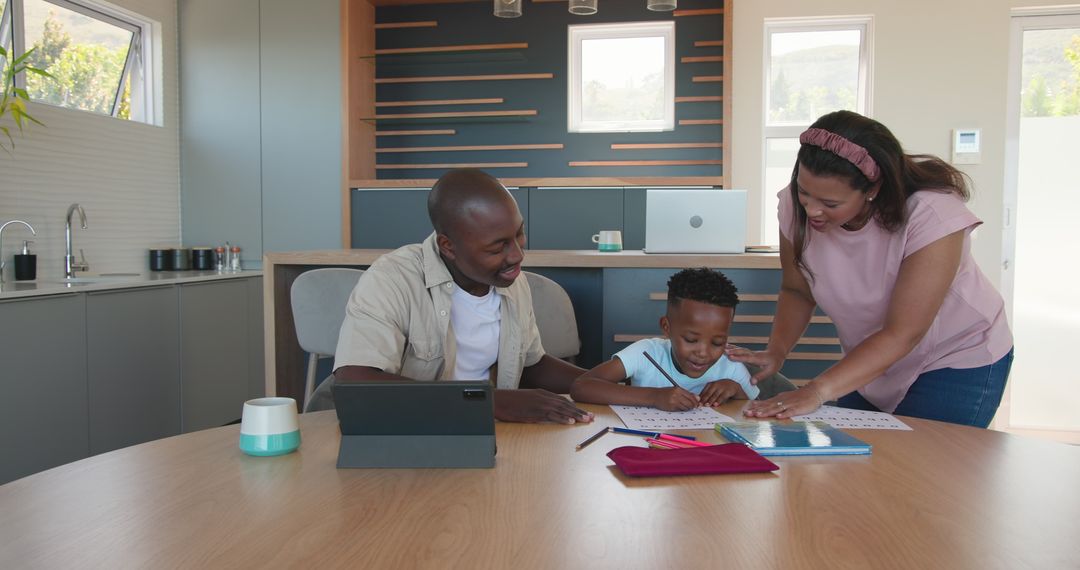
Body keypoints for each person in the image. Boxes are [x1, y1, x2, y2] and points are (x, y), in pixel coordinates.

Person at [728, 110, 1013, 428]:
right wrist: (776, 351)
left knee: (921, 469)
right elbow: (797, 289)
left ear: (872, 189)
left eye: (830, 204)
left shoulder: (932, 214)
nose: (811, 210)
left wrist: (816, 390)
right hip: (873, 358)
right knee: (856, 467)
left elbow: (903, 333)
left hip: (954, 357)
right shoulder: (795, 207)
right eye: (803, 192)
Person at [333, 168, 594, 425]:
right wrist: (490, 401)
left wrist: (608, 383)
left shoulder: (512, 282)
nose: (517, 256)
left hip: (482, 431)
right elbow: (356, 381)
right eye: (497, 246)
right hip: (404, 432)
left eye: (519, 234)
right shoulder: (392, 279)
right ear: (449, 247)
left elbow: (531, 364)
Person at [570, 268, 759, 411]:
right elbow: (581, 386)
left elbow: (754, 411)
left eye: (717, 343)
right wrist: (654, 396)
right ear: (666, 327)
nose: (703, 353)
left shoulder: (731, 366)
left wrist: (735, 390)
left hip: (709, 450)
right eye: (691, 340)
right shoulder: (645, 353)